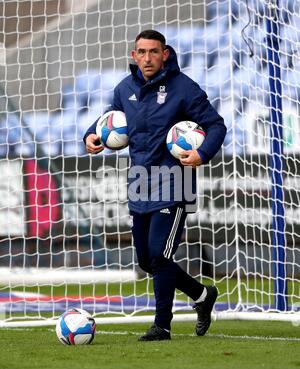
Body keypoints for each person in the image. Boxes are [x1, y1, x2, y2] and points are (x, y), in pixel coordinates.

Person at [83, 30, 227, 341]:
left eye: (153, 52)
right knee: (147, 261)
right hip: (138, 182)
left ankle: (162, 325)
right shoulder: (125, 89)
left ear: (165, 54)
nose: (147, 58)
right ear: (133, 56)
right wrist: (90, 136)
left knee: (160, 256)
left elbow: (216, 125)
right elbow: (106, 120)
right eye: (142, 52)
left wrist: (202, 154)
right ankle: (202, 295)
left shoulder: (184, 88)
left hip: (175, 183)